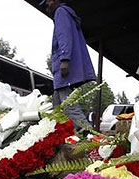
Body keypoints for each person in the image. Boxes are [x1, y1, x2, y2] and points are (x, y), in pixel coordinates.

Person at [42, 0, 96, 131]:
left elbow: (64, 36)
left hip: (64, 66)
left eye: (47, 4)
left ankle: (89, 135)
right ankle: (58, 137)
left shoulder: (61, 12)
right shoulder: (65, 14)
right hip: (62, 68)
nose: (46, 8)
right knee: (57, 107)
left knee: (68, 105)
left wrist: (64, 59)